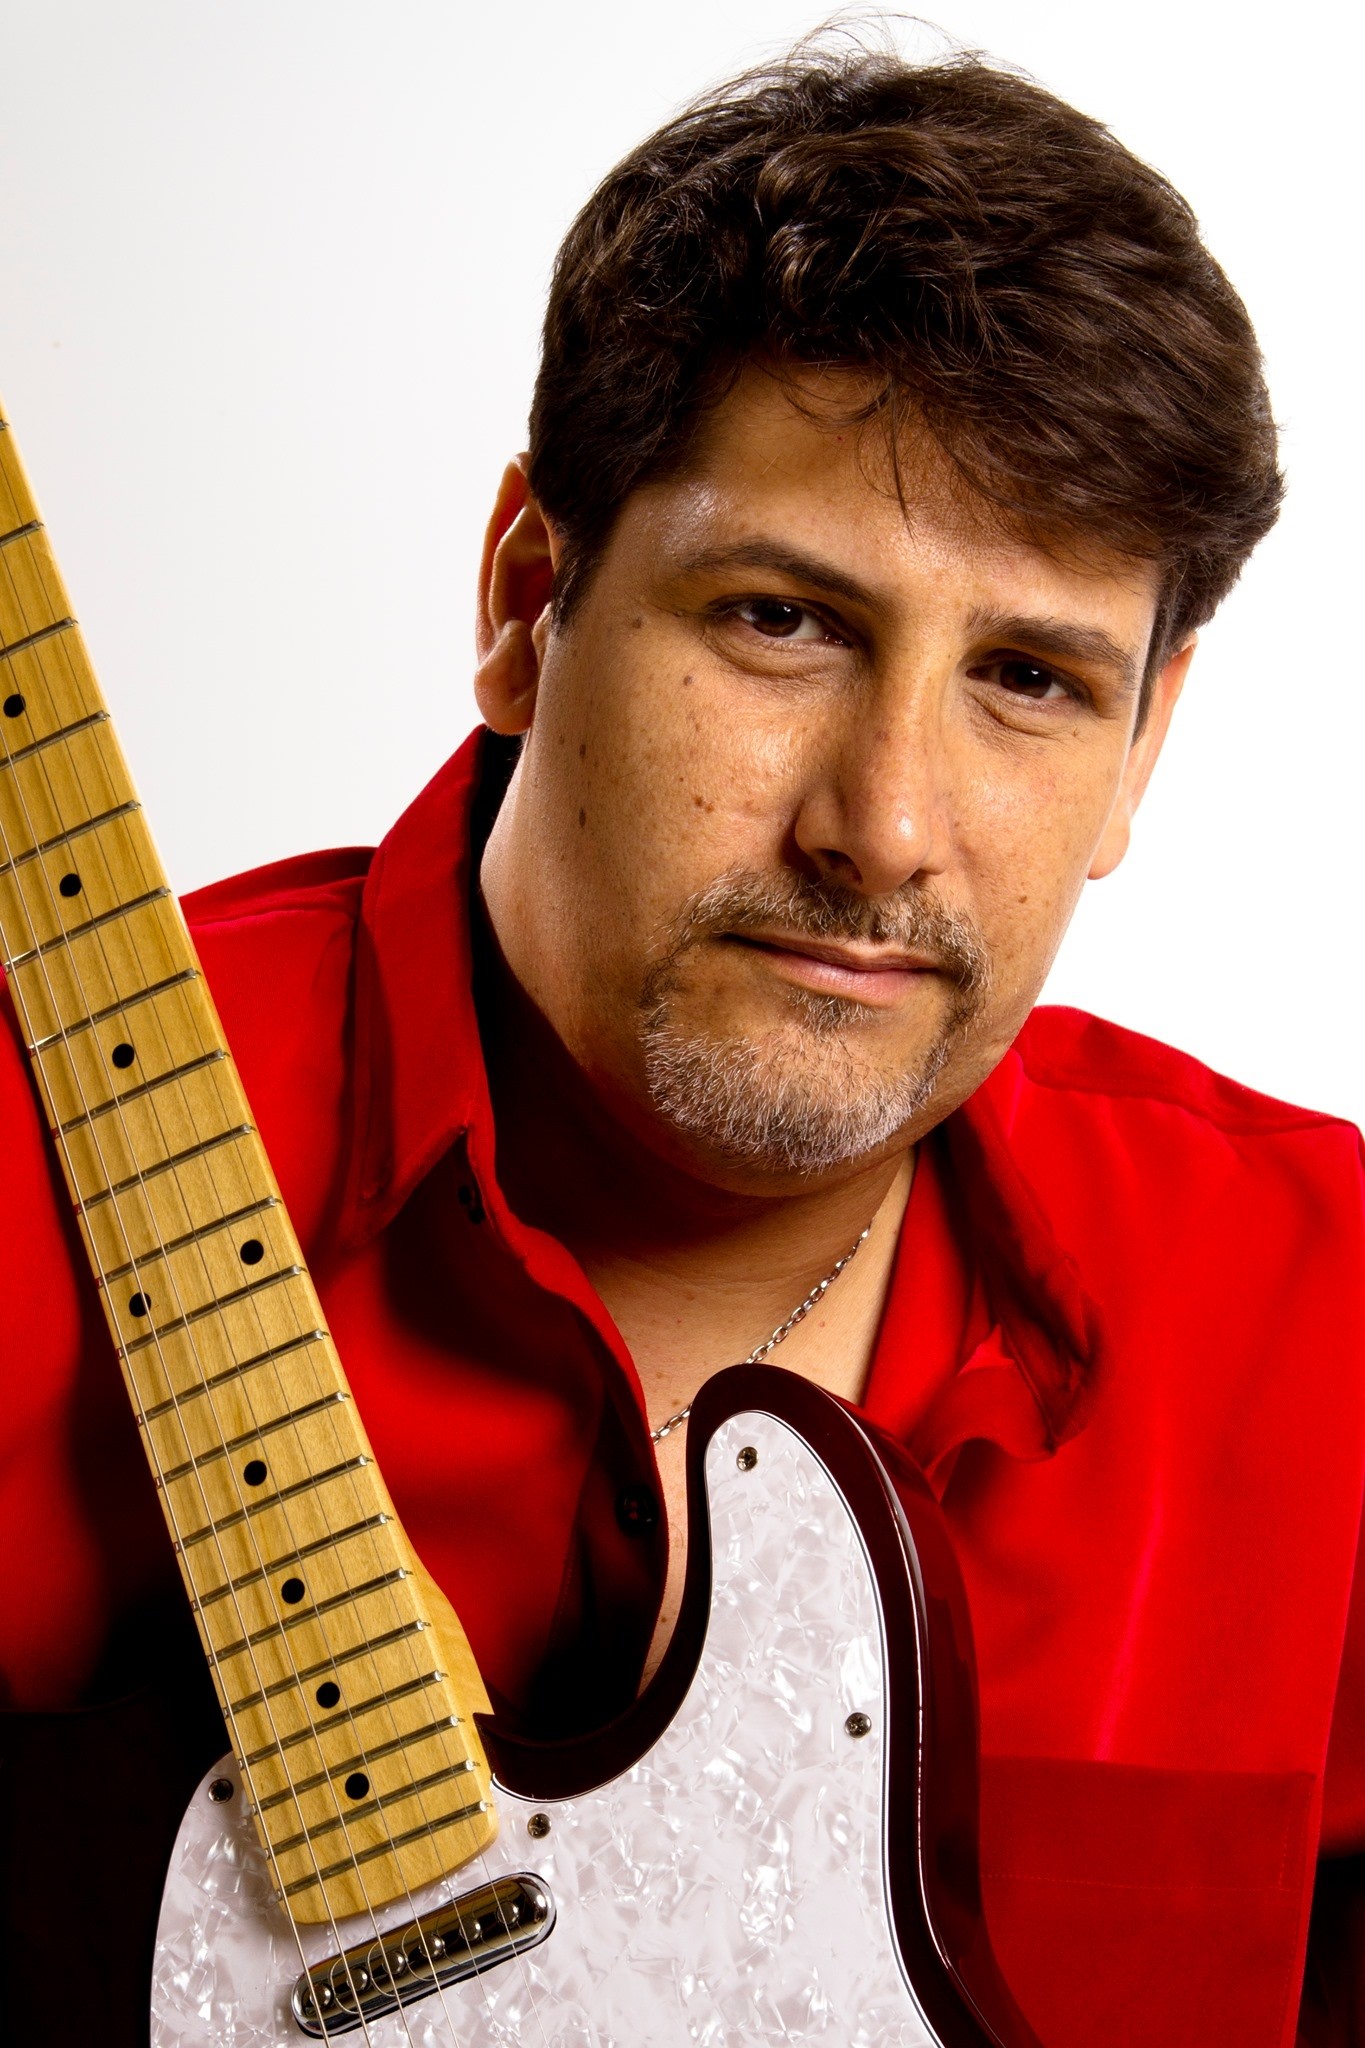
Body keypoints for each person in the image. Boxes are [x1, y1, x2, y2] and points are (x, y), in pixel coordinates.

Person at [1, 38, 1362, 2048]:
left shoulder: (1321, 1312)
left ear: (1142, 744)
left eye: (1025, 677)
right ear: (524, 596)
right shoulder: (26, 1167)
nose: (880, 827)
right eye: (779, 621)